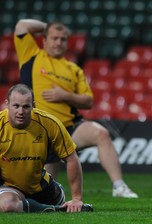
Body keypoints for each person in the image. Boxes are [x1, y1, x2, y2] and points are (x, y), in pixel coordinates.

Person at [14, 19, 138, 198]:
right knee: (46, 192)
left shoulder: (74, 69)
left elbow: (88, 101)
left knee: (101, 134)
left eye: (63, 39)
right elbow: (22, 25)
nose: (58, 42)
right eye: (54, 38)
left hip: (69, 128)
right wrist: (47, 27)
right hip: (40, 129)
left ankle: (119, 187)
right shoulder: (31, 55)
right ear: (44, 40)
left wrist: (65, 96)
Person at [0, 84, 93, 213]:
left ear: (33, 105)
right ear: (7, 104)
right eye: (16, 106)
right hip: (11, 187)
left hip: (43, 187)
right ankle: (55, 210)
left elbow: (71, 158)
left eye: (26, 107)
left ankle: (52, 203)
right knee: (8, 205)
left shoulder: (49, 123)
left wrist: (77, 198)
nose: (20, 112)